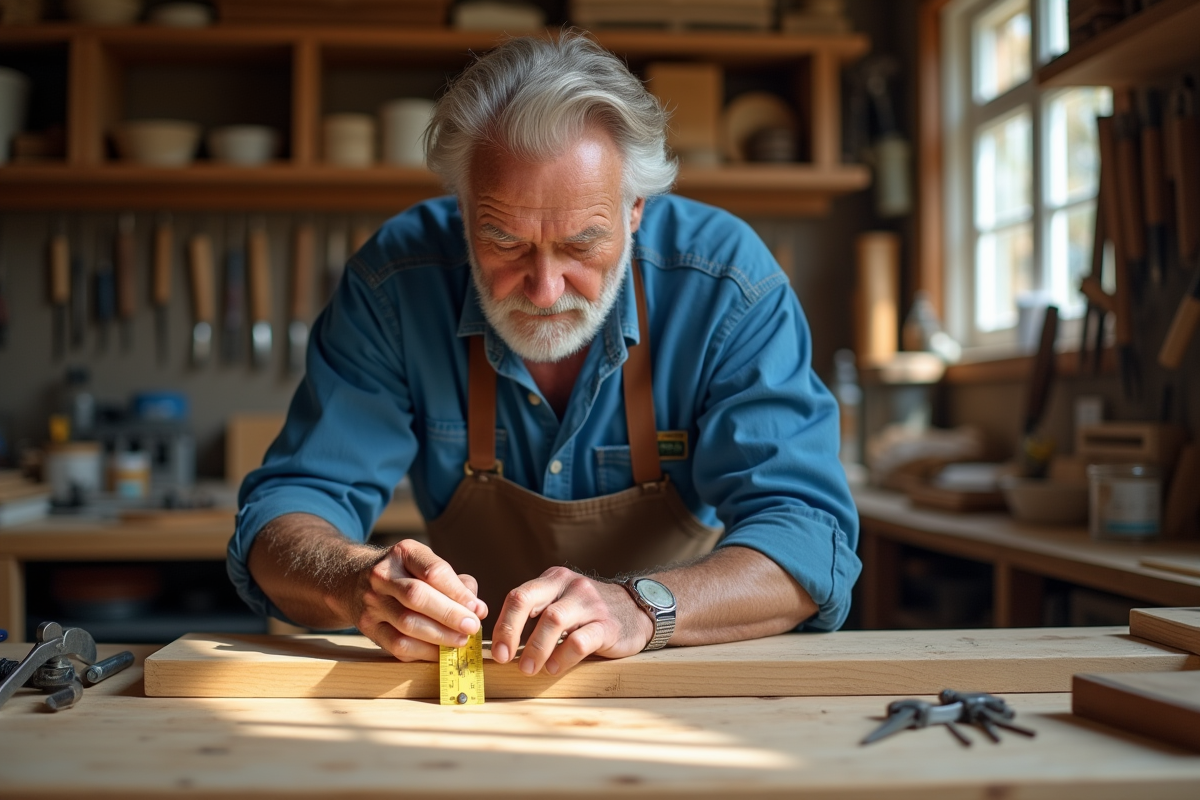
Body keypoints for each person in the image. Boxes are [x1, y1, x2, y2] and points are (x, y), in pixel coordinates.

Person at [227, 33, 860, 677]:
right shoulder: (396, 283)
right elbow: (283, 518)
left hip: (667, 679)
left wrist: (641, 608)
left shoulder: (725, 283)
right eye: (504, 242)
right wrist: (353, 581)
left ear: (635, 209)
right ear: (464, 209)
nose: (545, 289)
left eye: (582, 245)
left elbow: (808, 539)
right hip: (470, 686)